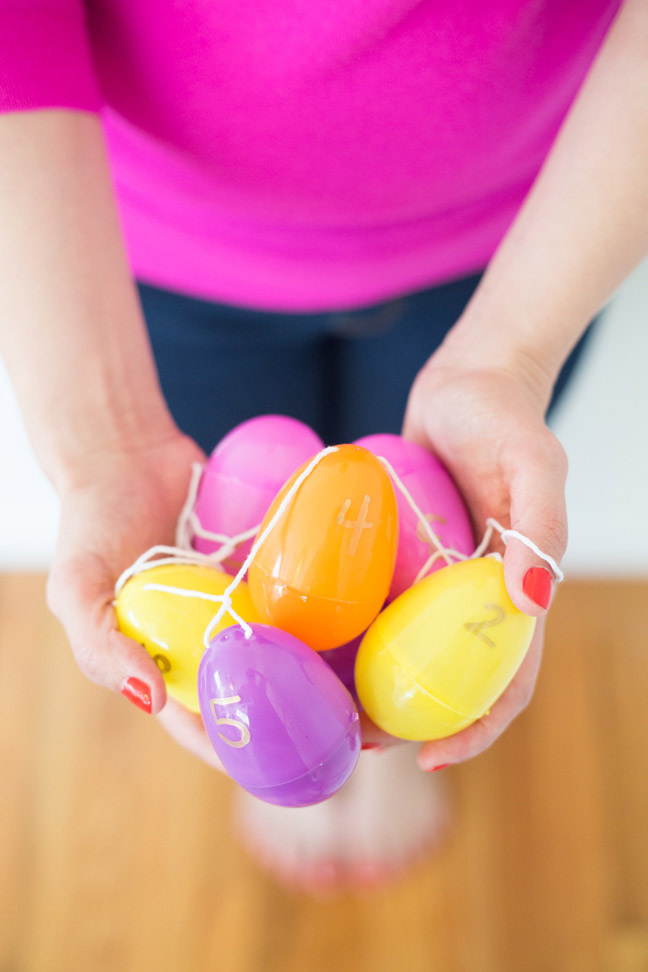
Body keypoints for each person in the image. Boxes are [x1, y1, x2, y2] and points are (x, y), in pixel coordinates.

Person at [1, 0, 647, 894]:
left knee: (429, 526)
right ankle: (304, 733)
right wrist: (102, 440)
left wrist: (510, 353)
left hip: (517, 239)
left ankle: (369, 731)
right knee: (230, 519)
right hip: (154, 252)